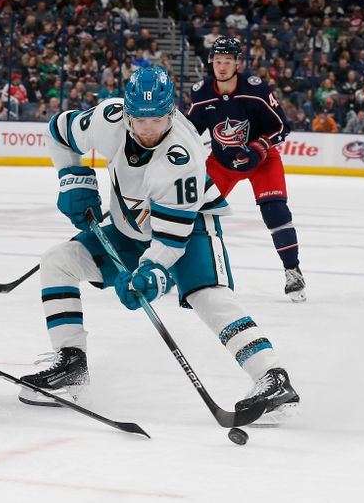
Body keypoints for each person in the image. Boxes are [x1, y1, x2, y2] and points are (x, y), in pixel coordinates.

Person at [19, 67, 299, 426]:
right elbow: (58, 131)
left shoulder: (182, 159)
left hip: (190, 226)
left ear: (172, 113)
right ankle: (71, 364)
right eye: (140, 119)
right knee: (58, 261)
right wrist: (73, 179)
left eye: (158, 120)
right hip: (130, 226)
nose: (148, 129)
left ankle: (272, 376)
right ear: (127, 112)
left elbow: (169, 242)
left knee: (206, 295)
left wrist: (153, 275)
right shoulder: (109, 118)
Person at [187, 37, 306, 303]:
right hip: (221, 164)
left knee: (275, 211)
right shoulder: (201, 92)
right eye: (217, 61)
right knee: (193, 211)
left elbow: (281, 127)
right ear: (211, 63)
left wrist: (258, 148)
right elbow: (190, 131)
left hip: (262, 161)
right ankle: (184, 268)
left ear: (237, 63)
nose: (222, 66)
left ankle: (292, 271)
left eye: (227, 61)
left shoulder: (256, 89)